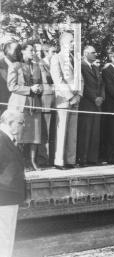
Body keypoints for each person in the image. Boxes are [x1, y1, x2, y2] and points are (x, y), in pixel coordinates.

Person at [8, 42, 43, 170]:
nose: (33, 53)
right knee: (20, 134)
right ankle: (20, 162)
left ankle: (33, 161)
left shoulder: (36, 66)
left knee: (35, 134)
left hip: (35, 104)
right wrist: (29, 89)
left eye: (34, 51)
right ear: (22, 51)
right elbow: (11, 86)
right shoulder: (15, 66)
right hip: (20, 105)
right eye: (30, 50)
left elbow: (40, 84)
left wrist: (39, 89)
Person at [50, 31, 82, 170]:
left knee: (72, 131)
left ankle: (70, 160)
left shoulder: (75, 59)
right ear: (63, 42)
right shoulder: (56, 58)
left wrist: (79, 94)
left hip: (76, 99)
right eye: (71, 41)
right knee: (61, 130)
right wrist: (70, 96)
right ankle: (59, 161)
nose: (73, 44)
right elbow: (58, 79)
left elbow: (81, 79)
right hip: (64, 99)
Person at [0, 110, 26, 257]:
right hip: (4, 196)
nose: (24, 126)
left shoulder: (8, 139)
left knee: (7, 236)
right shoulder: (1, 139)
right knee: (4, 237)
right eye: (21, 123)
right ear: (9, 123)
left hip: (10, 197)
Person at [76, 46, 105, 166]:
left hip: (97, 104)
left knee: (95, 132)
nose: (95, 54)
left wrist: (102, 97)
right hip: (87, 103)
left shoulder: (95, 67)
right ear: (86, 53)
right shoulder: (81, 66)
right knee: (86, 131)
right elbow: (84, 85)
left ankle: (92, 158)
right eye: (93, 53)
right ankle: (82, 158)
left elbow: (102, 84)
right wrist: (94, 98)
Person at [37, 44, 56, 166]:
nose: (55, 54)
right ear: (45, 52)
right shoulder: (41, 64)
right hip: (46, 100)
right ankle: (43, 159)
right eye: (53, 52)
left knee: (52, 132)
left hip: (55, 100)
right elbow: (47, 78)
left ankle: (51, 159)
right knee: (45, 132)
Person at [0, 41, 20, 115]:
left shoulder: (22, 65)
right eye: (16, 49)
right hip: (3, 107)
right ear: (7, 51)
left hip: (19, 107)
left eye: (20, 49)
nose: (19, 52)